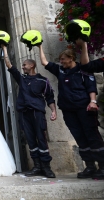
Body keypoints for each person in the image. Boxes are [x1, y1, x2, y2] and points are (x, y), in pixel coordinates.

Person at [38, 43, 104, 180]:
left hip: (84, 108)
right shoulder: (60, 70)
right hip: (68, 109)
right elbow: (44, 62)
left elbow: (91, 87)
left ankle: (102, 167)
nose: (61, 62)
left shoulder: (83, 70)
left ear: (71, 58)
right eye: (60, 60)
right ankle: (90, 167)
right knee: (79, 137)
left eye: (63, 59)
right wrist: (40, 46)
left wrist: (93, 101)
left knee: (92, 136)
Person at [2, 45, 57, 178]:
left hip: (37, 112)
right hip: (24, 113)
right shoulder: (22, 79)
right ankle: (36, 166)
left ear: (32, 66)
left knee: (41, 139)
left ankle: (46, 167)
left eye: (25, 65)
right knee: (31, 140)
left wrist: (53, 111)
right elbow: (9, 65)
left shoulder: (43, 80)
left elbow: (49, 97)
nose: (23, 67)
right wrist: (4, 48)